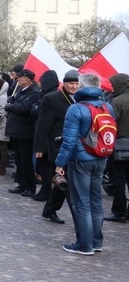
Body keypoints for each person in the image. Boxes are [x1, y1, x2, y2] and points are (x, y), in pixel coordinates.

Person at [55, 73, 114, 255]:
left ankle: (84, 245)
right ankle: (96, 242)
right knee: (96, 202)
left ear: (82, 86)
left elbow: (69, 140)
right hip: (101, 157)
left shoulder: (76, 108)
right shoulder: (107, 106)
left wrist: (60, 163)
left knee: (81, 202)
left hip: (81, 160)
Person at [35, 69, 79, 224]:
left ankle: (49, 210)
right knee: (68, 184)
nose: (74, 87)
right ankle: (79, 221)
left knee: (63, 183)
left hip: (74, 147)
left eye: (76, 83)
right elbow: (43, 125)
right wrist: (39, 148)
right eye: (71, 84)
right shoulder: (52, 99)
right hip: (57, 147)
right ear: (64, 84)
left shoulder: (80, 99)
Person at [5, 69, 41, 197]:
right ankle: (21, 183)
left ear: (26, 79)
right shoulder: (21, 90)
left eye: (20, 78)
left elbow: (24, 108)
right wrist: (12, 100)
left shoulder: (34, 93)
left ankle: (30, 186)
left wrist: (10, 106)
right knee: (19, 159)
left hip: (25, 130)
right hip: (17, 129)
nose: (17, 79)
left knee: (26, 160)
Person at [31, 70, 62, 202]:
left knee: (45, 166)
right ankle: (46, 191)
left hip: (48, 137)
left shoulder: (50, 97)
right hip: (51, 136)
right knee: (46, 166)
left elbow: (38, 114)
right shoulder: (54, 95)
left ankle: (46, 192)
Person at [105, 73, 129, 222]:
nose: (111, 88)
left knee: (118, 179)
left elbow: (109, 123)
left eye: (113, 85)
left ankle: (119, 211)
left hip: (119, 146)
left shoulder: (117, 102)